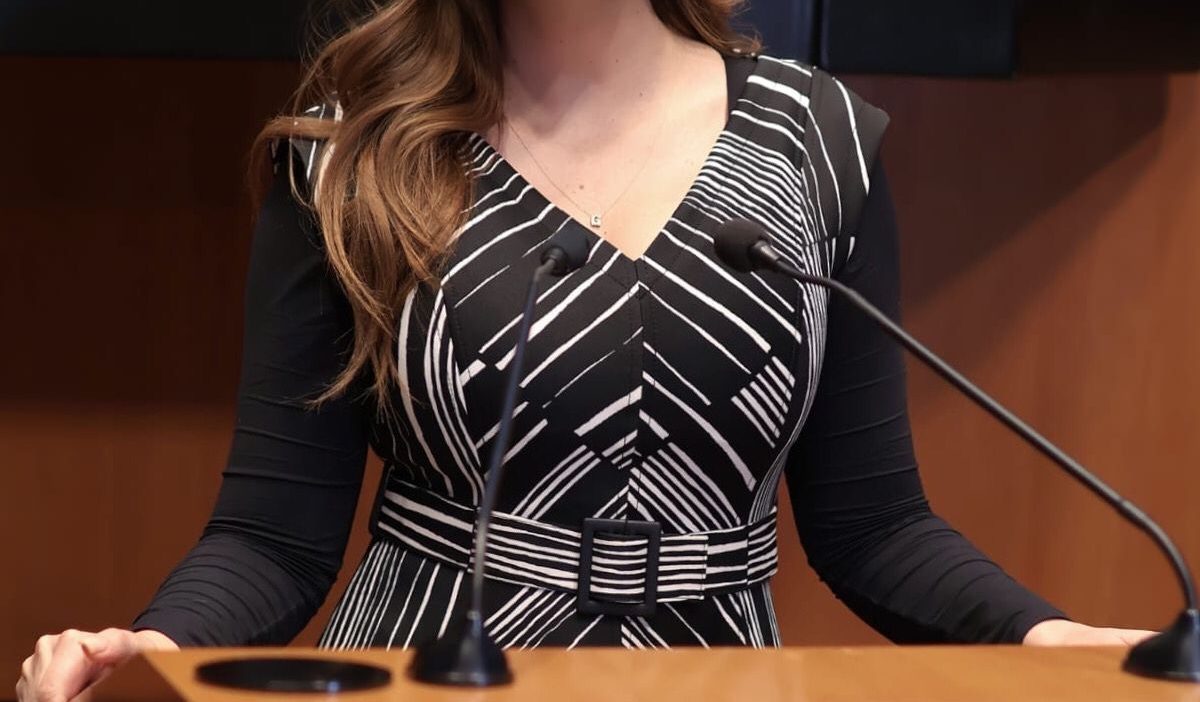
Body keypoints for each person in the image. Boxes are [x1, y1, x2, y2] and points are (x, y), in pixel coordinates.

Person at [17, 0, 1155, 700]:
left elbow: (874, 525)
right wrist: (149, 649)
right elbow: (274, 536)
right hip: (437, 672)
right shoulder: (353, 150)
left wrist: (1042, 636)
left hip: (716, 679)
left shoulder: (816, 144)